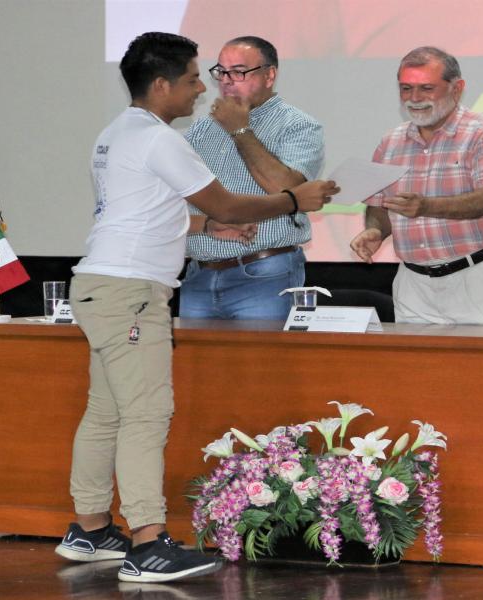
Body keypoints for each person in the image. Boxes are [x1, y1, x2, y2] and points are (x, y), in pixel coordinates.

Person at [56, 32, 336, 583]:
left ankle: (90, 528)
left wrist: (208, 225)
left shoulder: (117, 132)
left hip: (102, 283)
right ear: (162, 85)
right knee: (145, 415)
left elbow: (146, 211)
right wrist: (292, 201)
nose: (202, 89)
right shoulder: (159, 139)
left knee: (106, 411)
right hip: (131, 291)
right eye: (192, 79)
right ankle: (147, 543)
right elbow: (226, 201)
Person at [349, 46, 483, 325]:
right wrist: (376, 230)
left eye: (426, 88)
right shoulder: (390, 142)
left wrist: (425, 206)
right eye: (406, 88)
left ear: (457, 89)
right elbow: (378, 205)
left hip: (482, 277)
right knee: (413, 356)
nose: (414, 98)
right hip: (414, 284)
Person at [182, 36, 324, 320]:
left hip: (265, 274)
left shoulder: (298, 126)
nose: (226, 81)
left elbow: (289, 192)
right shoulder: (200, 130)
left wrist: (240, 131)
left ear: (269, 75)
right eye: (221, 72)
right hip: (199, 275)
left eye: (238, 72)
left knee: (263, 352)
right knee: (193, 353)